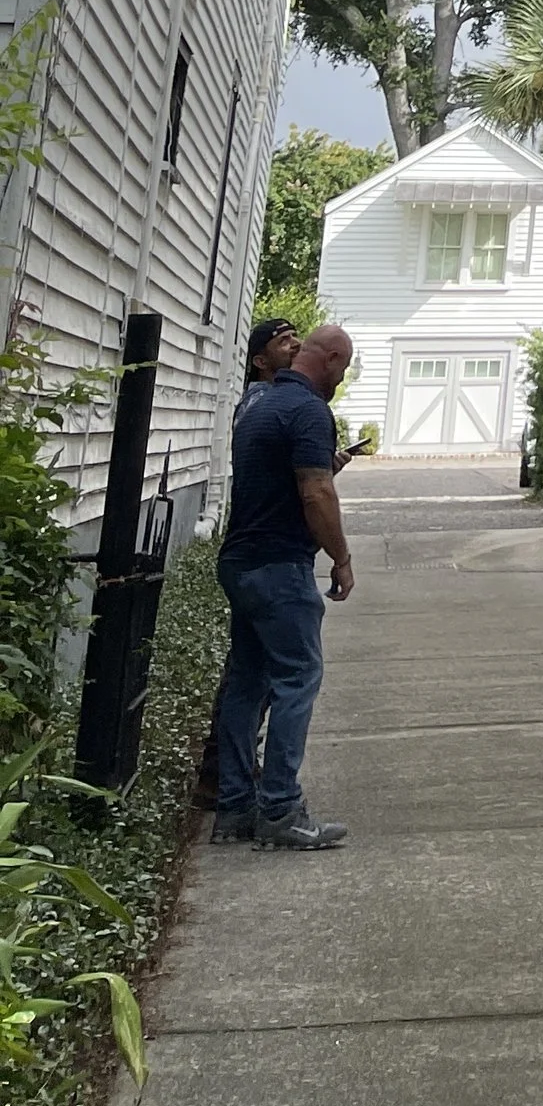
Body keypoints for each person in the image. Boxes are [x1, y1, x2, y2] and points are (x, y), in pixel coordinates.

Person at [211, 321, 355, 850]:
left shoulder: (254, 406)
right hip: (279, 567)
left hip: (239, 562)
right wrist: (340, 557)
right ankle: (280, 810)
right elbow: (315, 492)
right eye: (343, 368)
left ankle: (234, 809)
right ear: (333, 359)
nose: (341, 379)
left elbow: (273, 478)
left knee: (248, 683)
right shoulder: (310, 410)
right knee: (298, 678)